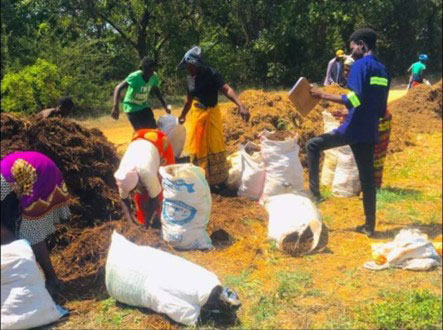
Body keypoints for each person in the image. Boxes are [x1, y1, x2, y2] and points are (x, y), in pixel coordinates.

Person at [308, 28, 390, 237]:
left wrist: (322, 95)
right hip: (369, 129)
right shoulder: (383, 70)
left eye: (352, 46)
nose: (350, 51)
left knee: (313, 145)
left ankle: (315, 194)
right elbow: (381, 108)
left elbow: (356, 98)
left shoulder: (360, 65)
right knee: (367, 179)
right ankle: (369, 227)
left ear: (362, 44)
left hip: (352, 128)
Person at [177, 46, 250, 191]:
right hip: (198, 116)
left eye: (190, 66)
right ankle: (202, 181)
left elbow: (227, 89)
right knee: (198, 148)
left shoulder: (212, 74)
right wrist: (182, 115)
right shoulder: (190, 78)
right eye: (187, 67)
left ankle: (220, 180)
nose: (189, 70)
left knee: (215, 146)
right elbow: (188, 100)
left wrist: (240, 105)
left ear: (198, 64)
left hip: (212, 114)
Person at [1, 151, 71, 294]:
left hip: (37, 176)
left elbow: (9, 238)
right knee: (24, 231)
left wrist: (17, 252)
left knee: (31, 234)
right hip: (36, 169)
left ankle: (53, 281)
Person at [114, 129, 175, 227]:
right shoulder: (122, 176)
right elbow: (123, 200)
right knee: (141, 195)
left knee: (165, 185)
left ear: (138, 182)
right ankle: (142, 218)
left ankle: (164, 220)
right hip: (139, 138)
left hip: (157, 140)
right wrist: (131, 224)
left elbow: (155, 198)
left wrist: (147, 223)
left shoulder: (146, 172)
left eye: (134, 189)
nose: (133, 192)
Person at [111, 57, 171, 130]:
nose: (149, 75)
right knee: (140, 131)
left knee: (152, 128)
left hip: (143, 106)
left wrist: (165, 105)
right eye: (147, 72)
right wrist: (115, 107)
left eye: (151, 72)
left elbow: (156, 90)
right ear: (141, 69)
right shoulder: (135, 77)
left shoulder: (154, 77)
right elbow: (118, 88)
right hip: (131, 107)